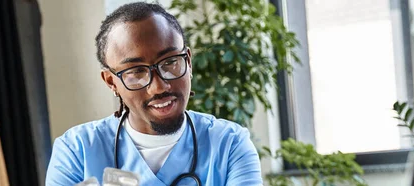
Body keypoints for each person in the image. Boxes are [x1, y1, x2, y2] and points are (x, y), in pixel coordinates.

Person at [45, 2, 263, 185]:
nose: (159, 87)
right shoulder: (76, 151)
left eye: (170, 62)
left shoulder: (230, 145)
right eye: (136, 72)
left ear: (188, 61)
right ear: (111, 81)